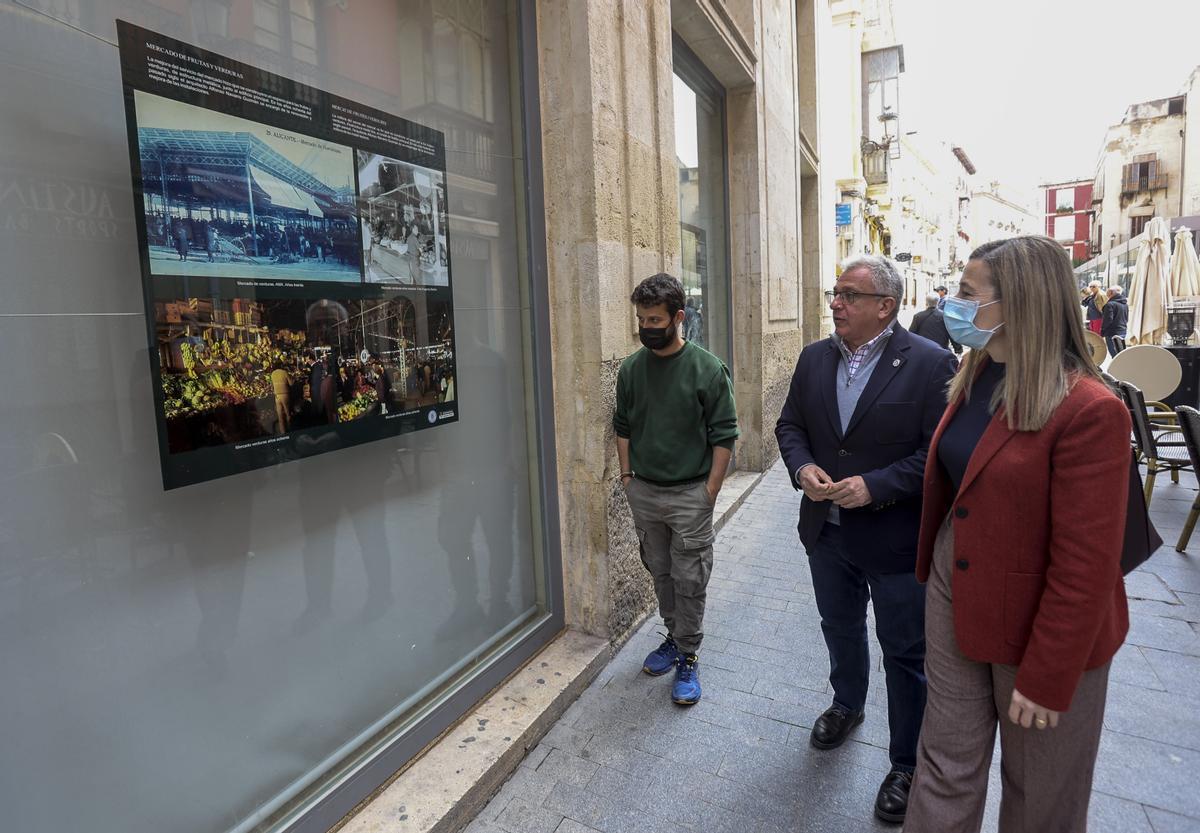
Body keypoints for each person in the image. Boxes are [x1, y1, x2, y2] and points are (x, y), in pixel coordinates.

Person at [904, 236, 1131, 833]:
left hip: (1044, 622)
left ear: (1019, 305)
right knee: (944, 762)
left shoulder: (1091, 410)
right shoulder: (975, 371)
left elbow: (1087, 564)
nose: (952, 305)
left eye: (966, 294)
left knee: (1040, 796)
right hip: (958, 590)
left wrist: (1048, 674)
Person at [775, 255, 957, 824]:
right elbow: (790, 427)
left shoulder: (932, 364)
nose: (836, 303)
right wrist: (802, 469)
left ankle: (906, 762)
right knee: (839, 627)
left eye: (849, 295)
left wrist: (876, 486)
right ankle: (846, 705)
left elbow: (938, 454)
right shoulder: (812, 358)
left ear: (886, 305)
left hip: (896, 538)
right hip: (827, 534)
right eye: (835, 293)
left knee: (906, 654)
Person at [614, 273, 738, 706]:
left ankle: (689, 653)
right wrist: (627, 478)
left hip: (691, 495)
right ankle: (673, 634)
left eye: (654, 318)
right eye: (641, 318)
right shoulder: (631, 370)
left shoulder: (707, 369)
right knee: (661, 570)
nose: (647, 326)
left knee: (691, 577)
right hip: (645, 492)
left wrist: (710, 492)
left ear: (677, 317)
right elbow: (624, 427)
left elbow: (725, 434)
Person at [1101, 284, 1128, 357]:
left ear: (1111, 293)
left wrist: (1102, 331)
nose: (1106, 292)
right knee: (1121, 353)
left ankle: (1117, 368)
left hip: (1112, 332)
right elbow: (1126, 318)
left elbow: (1108, 320)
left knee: (1114, 355)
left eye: (1108, 291)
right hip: (1122, 330)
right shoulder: (1125, 304)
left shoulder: (1110, 305)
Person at [270, 363, 291, 434]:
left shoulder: (272, 374)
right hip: (285, 395)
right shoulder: (284, 372)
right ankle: (291, 429)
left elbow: (272, 386)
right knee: (287, 413)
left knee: (280, 415)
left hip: (277, 396)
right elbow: (291, 383)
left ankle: (283, 432)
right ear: (281, 366)